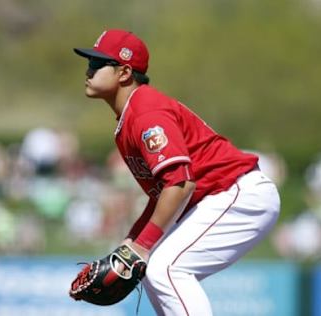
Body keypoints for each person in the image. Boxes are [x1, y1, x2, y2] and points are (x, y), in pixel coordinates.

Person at [73, 29, 280, 316]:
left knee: (165, 268)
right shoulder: (132, 115)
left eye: (97, 64)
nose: (89, 70)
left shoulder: (145, 111)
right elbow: (164, 194)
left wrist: (142, 246)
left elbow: (180, 184)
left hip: (237, 193)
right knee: (151, 269)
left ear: (124, 73)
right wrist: (131, 244)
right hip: (218, 196)